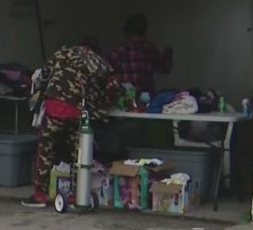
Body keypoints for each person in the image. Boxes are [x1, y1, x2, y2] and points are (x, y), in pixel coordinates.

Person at [23, 44, 119, 208]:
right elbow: (114, 86)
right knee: (79, 155)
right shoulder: (97, 62)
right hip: (78, 112)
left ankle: (39, 195)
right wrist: (102, 103)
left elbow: (43, 75)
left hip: (54, 108)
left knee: (45, 152)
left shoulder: (62, 52)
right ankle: (77, 195)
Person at [106, 14, 172, 94]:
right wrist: (168, 52)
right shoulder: (150, 49)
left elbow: (105, 69)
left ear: (128, 31)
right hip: (146, 96)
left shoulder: (120, 51)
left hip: (128, 96)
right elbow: (165, 68)